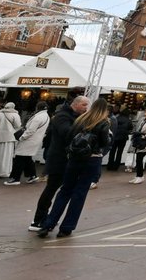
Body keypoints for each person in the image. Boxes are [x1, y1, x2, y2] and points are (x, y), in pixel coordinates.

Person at [37, 98, 113, 238]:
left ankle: (48, 224)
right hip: (92, 159)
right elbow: (104, 142)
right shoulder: (103, 122)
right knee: (80, 193)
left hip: (74, 158)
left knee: (65, 190)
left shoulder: (81, 119)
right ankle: (66, 227)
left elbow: (70, 136)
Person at [27, 95, 88, 230]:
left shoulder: (73, 116)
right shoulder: (62, 116)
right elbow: (66, 133)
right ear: (75, 104)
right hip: (59, 159)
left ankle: (50, 218)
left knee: (61, 190)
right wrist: (83, 130)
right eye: (84, 105)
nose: (86, 108)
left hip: (68, 159)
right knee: (51, 188)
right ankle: (38, 219)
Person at [6, 102, 49, 185]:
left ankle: (15, 178)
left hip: (29, 140)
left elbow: (30, 130)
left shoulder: (38, 117)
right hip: (34, 140)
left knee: (19, 158)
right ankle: (32, 175)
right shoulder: (46, 116)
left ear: (37, 107)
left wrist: (22, 137)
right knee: (27, 158)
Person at [107, 105, 132, 171]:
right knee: (119, 152)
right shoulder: (128, 120)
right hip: (123, 138)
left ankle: (110, 165)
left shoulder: (116, 118)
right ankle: (116, 166)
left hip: (115, 137)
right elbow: (130, 128)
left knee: (112, 151)